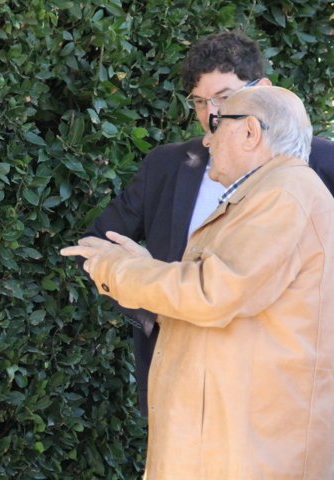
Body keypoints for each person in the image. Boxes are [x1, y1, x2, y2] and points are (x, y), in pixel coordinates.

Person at [62, 86, 334, 478]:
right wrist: (143, 265)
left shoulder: (283, 196)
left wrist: (117, 269)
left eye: (218, 123)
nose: (206, 139)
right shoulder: (273, 192)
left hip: (250, 449)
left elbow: (212, 292)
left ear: (250, 132)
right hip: (236, 439)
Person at [83, 30, 334, 415]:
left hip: (284, 397)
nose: (212, 114)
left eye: (225, 97)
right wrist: (156, 310)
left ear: (264, 90)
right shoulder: (167, 164)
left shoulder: (322, 164)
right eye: (200, 101)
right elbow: (98, 244)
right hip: (180, 388)